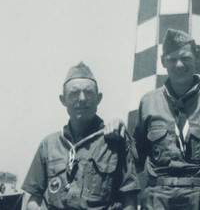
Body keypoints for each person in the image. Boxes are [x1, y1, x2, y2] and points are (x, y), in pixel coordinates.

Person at [132, 28, 200, 210]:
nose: (179, 65)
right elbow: (135, 158)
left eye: (186, 58)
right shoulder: (148, 102)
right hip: (158, 199)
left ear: (197, 57)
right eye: (172, 59)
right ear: (162, 61)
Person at [22, 62, 140, 210]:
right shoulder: (49, 145)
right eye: (74, 93)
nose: (82, 98)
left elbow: (130, 200)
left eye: (89, 92)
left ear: (99, 98)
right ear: (63, 100)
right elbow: (33, 198)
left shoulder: (115, 141)